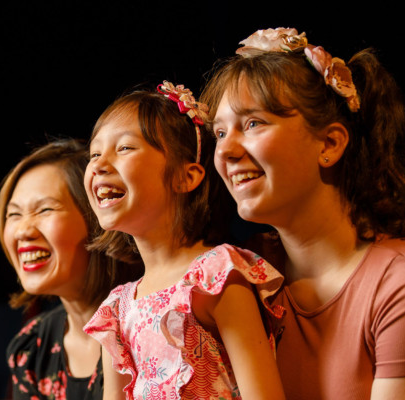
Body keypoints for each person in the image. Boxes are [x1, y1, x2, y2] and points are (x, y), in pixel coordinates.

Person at [202, 27, 405, 399]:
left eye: (252, 123)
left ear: (329, 144)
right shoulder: (238, 276)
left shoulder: (399, 285)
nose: (226, 152)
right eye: (219, 133)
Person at [82, 81, 286, 400]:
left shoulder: (215, 276)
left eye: (124, 148)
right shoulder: (117, 309)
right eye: (94, 153)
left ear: (185, 176)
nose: (99, 165)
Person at [0, 138, 143, 400]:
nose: (23, 231)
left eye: (45, 209)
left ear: (97, 217)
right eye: (13, 214)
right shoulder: (32, 348)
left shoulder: (155, 322)